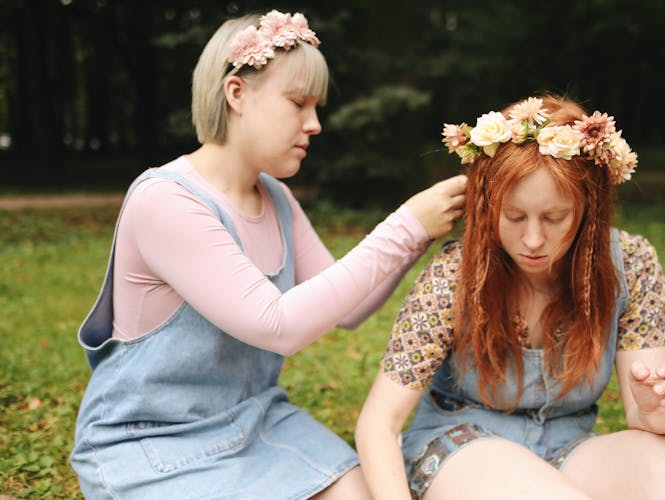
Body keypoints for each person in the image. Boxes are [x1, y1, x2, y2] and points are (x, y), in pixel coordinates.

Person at [70, 10, 466, 499]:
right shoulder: (166, 201)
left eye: (317, 107)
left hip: (256, 421)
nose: (315, 124)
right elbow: (278, 325)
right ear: (236, 94)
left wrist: (420, 234)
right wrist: (404, 224)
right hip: (153, 443)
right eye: (299, 103)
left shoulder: (274, 196)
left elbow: (351, 310)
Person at [355, 94, 665, 499]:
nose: (532, 239)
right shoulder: (454, 275)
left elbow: (643, 409)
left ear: (589, 209)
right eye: (513, 217)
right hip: (464, 448)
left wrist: (655, 412)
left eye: (554, 218)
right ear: (487, 206)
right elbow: (378, 424)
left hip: (571, 450)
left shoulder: (631, 264)